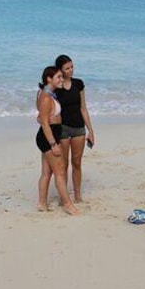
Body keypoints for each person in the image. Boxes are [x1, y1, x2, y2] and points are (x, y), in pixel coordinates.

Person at [35, 65, 80, 215]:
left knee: (46, 172)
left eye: (62, 76)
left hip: (49, 134)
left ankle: (42, 203)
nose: (62, 79)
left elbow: (41, 116)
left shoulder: (47, 94)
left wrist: (42, 118)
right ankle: (68, 204)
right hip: (49, 137)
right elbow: (44, 122)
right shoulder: (46, 97)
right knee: (60, 171)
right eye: (58, 77)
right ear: (49, 79)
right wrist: (53, 144)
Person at [54, 54, 95, 203]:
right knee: (63, 165)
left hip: (79, 128)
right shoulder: (56, 87)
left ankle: (77, 196)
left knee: (77, 163)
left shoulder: (79, 84)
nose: (71, 70)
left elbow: (83, 108)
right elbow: (50, 107)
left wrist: (91, 130)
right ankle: (63, 197)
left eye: (72, 67)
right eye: (67, 68)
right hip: (63, 129)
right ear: (60, 70)